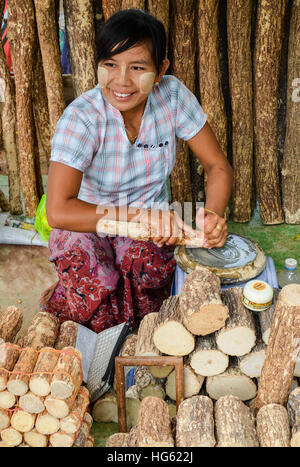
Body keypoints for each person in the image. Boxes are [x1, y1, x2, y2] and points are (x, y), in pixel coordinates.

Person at [41, 9, 233, 333]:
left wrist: (212, 214)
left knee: (149, 294)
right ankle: (66, 298)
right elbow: (58, 211)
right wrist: (137, 218)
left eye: (138, 67)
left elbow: (218, 167)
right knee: (94, 294)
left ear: (160, 71)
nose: (121, 80)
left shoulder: (171, 96)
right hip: (87, 220)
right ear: (98, 65)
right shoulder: (82, 117)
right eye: (110, 65)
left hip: (152, 216)